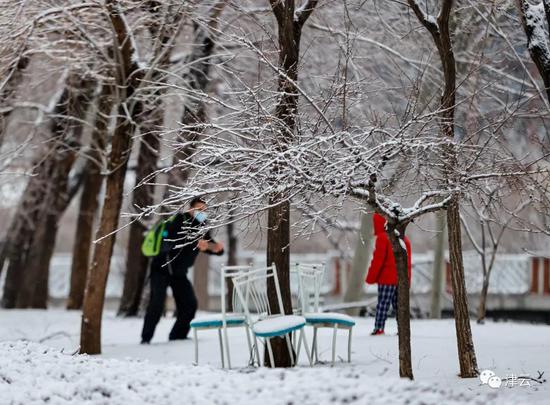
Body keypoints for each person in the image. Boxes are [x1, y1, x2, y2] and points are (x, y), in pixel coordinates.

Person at [141, 197, 224, 343]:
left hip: (179, 273)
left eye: (204, 210)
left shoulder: (202, 226)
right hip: (161, 269)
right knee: (156, 304)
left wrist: (217, 249)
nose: (202, 212)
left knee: (189, 304)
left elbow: (206, 244)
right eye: (199, 209)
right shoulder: (180, 220)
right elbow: (171, 242)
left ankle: (178, 336)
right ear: (190, 209)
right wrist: (195, 242)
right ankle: (146, 338)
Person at [365, 213, 412, 336]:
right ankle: (403, 329)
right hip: (401, 279)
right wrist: (408, 281)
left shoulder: (382, 238)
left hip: (386, 279)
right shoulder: (404, 240)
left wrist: (370, 278)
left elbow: (378, 261)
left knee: (383, 304)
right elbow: (408, 264)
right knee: (400, 306)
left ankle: (379, 328)